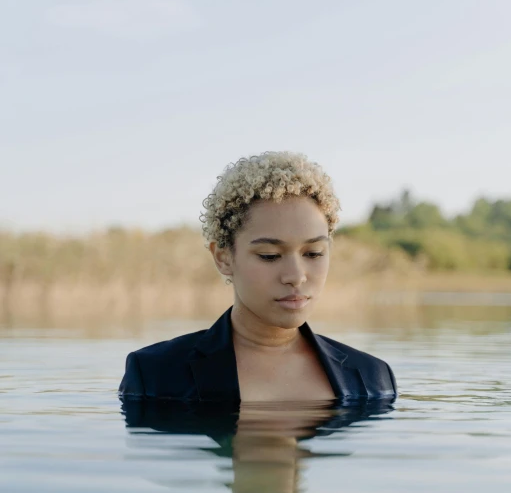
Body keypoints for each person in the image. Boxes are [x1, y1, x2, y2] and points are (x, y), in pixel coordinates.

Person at [119, 151, 397, 404]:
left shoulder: (372, 378)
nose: (296, 276)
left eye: (313, 253)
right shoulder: (155, 374)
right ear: (223, 257)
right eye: (269, 255)